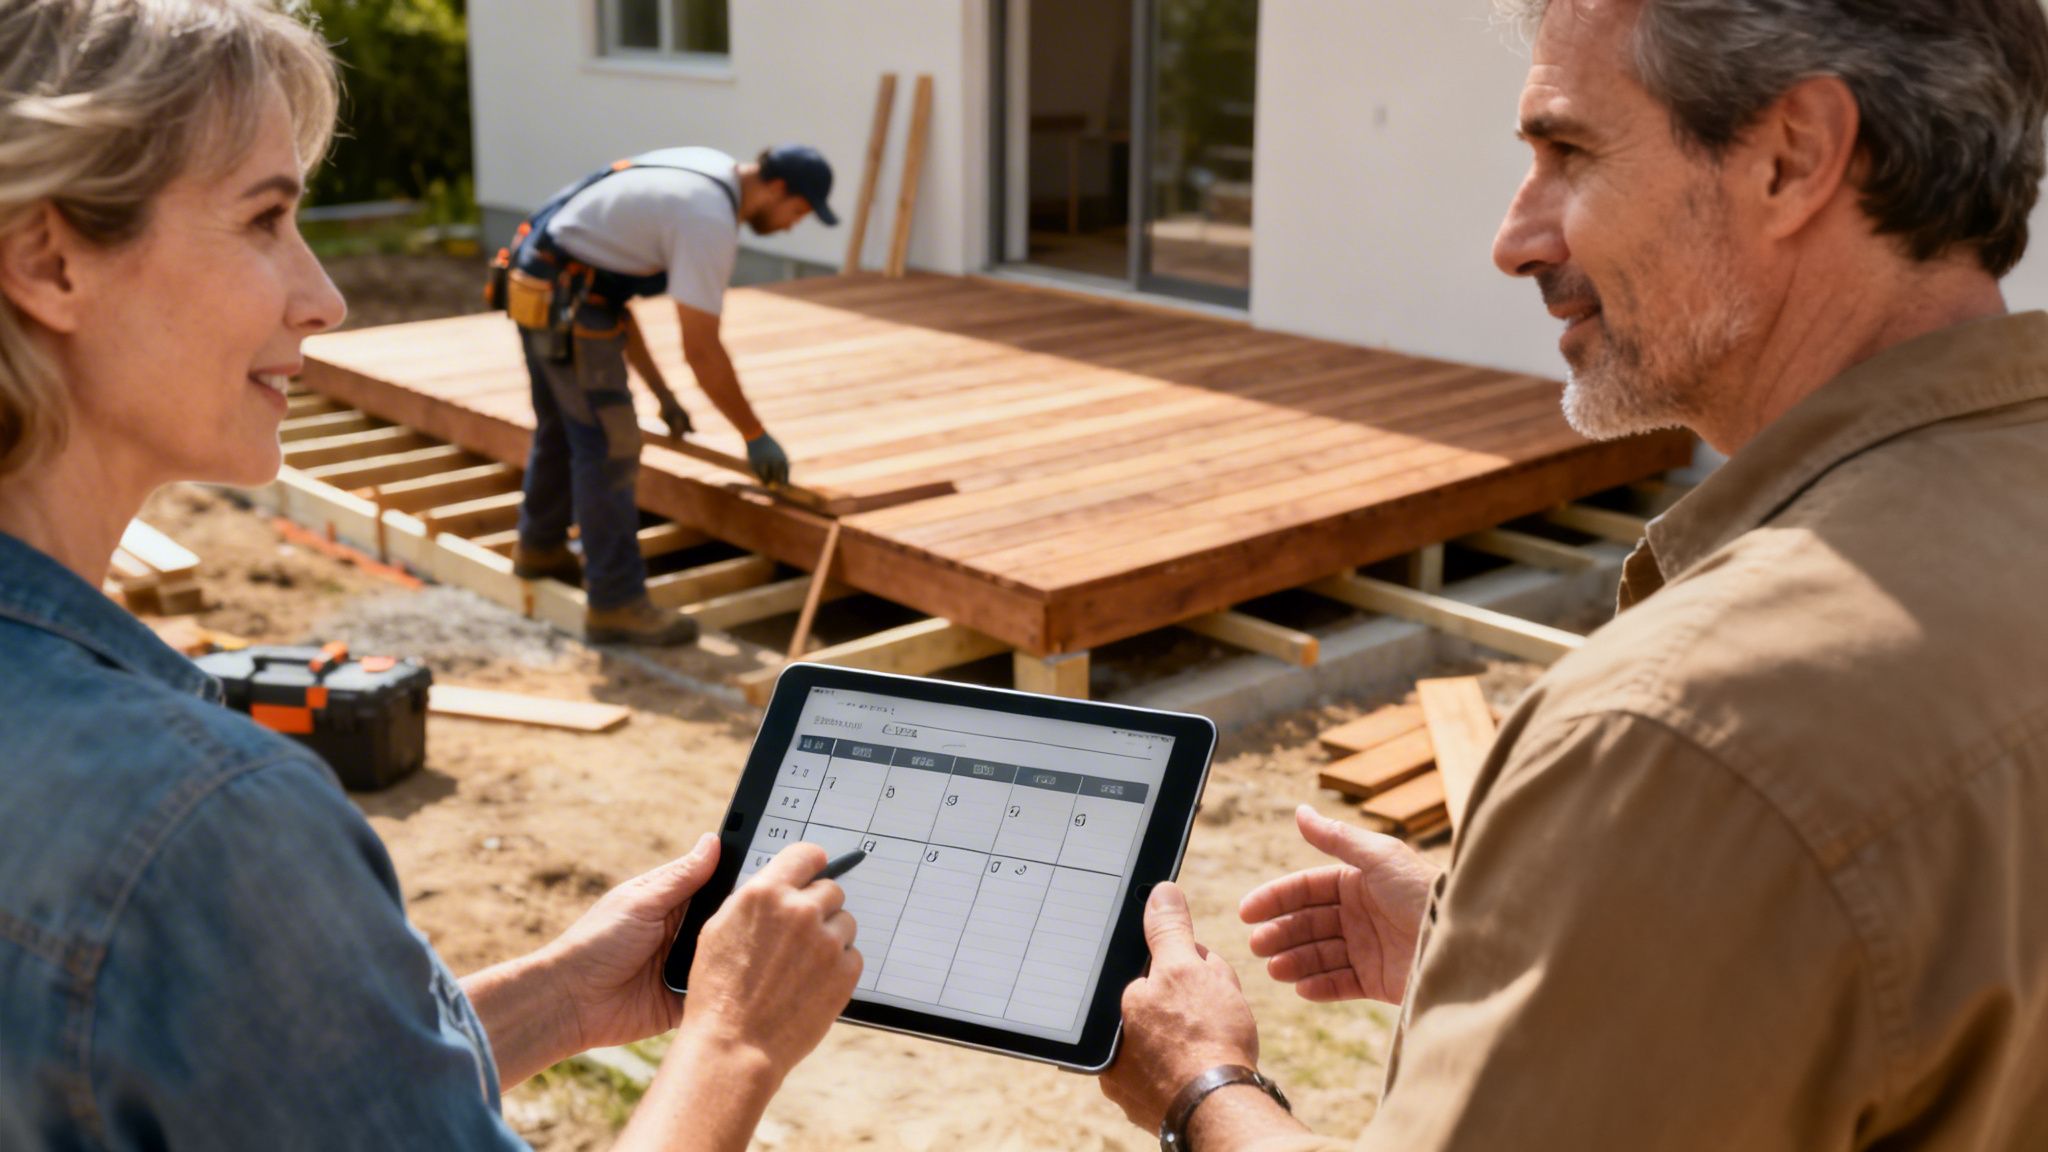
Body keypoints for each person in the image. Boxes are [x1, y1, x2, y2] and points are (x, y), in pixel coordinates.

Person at [1099, 0, 2048, 1148]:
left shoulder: (1682, 730)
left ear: (1790, 158)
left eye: (1568, 152)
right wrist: (1522, 948)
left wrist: (1199, 1086)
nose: (1515, 238)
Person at [0, 2, 858, 1147]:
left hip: (552, 293)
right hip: (563, 299)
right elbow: (692, 332)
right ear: (50, 262)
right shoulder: (205, 826)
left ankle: (548, 548)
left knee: (577, 436)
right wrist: (735, 1039)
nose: (327, 296)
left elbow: (261, 1076)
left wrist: (557, 992)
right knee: (595, 449)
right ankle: (611, 592)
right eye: (266, 218)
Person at [501, 141, 837, 645]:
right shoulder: (708, 218)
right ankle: (615, 604)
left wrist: (662, 396)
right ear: (777, 188)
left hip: (539, 281)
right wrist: (754, 433)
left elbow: (610, 296)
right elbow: (702, 350)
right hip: (568, 300)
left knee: (564, 424)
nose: (793, 225)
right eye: (798, 211)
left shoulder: (705, 166)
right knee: (610, 445)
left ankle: (540, 548)